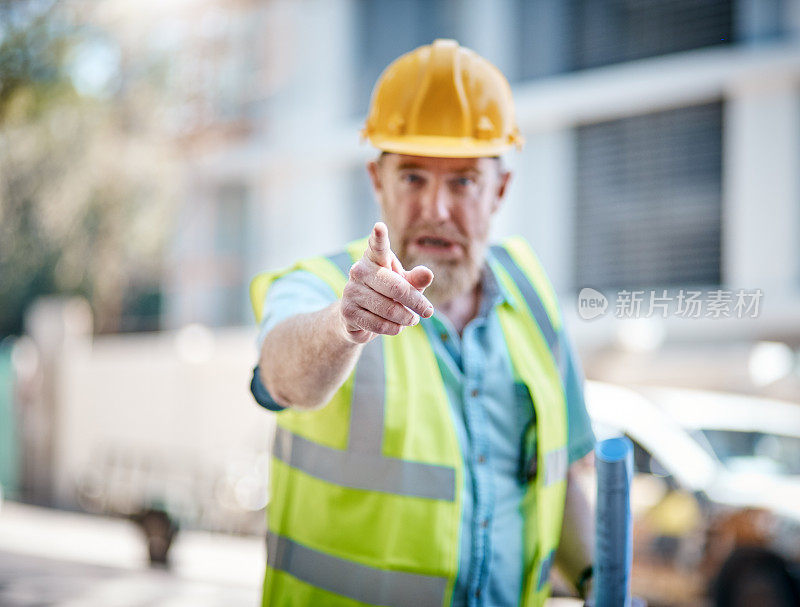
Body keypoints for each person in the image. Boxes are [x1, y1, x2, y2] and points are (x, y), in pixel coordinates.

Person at [249, 39, 595, 607]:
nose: (436, 207)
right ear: (376, 180)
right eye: (412, 177)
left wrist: (599, 582)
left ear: (499, 190)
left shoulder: (532, 296)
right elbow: (284, 375)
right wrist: (346, 322)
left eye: (463, 181)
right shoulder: (321, 287)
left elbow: (560, 485)